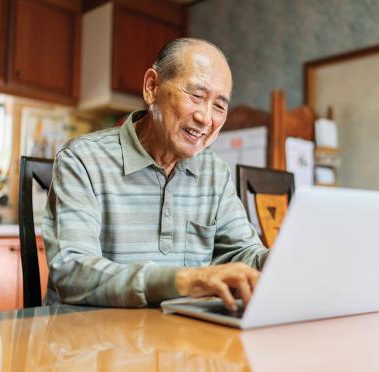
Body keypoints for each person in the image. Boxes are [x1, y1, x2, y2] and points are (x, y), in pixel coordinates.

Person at [43, 38, 268, 311]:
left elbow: (243, 255)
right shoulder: (83, 159)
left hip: (180, 339)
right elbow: (73, 271)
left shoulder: (213, 172)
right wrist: (185, 280)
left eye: (219, 106)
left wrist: (289, 258)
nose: (206, 118)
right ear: (152, 87)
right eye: (196, 96)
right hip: (95, 341)